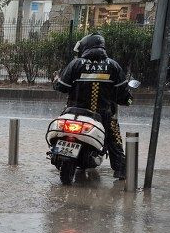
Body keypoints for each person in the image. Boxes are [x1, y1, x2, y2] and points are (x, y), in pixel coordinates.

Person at [53, 33, 133, 180]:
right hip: (103, 115)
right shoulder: (113, 65)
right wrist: (128, 99)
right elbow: (122, 94)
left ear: (86, 46)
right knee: (114, 138)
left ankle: (57, 153)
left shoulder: (76, 63)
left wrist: (56, 79)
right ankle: (121, 170)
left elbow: (62, 87)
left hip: (75, 112)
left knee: (60, 128)